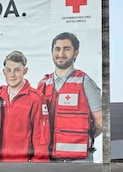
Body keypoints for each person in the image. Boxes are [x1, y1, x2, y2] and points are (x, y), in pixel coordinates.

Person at [37, 32, 102, 162]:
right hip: (49, 160)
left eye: (67, 49)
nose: (61, 53)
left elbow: (100, 122)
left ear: (76, 53)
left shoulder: (85, 82)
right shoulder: (43, 84)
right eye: (57, 49)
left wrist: (80, 139)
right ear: (52, 52)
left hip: (79, 161)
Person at [0, 51, 50, 162]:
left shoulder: (36, 98)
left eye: (17, 70)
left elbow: (41, 137)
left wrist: (39, 166)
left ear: (24, 71)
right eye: (9, 70)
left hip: (23, 164)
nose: (12, 75)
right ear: (4, 72)